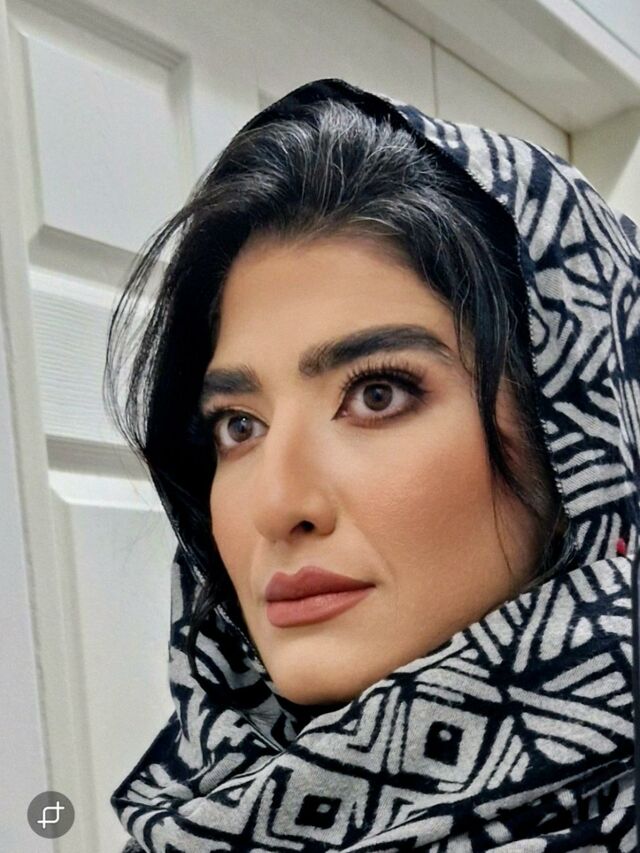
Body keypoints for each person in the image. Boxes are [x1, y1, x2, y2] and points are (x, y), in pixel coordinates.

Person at [106, 78, 639, 851]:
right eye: (239, 424)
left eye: (377, 394)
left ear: (578, 439)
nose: (278, 504)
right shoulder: (191, 807)